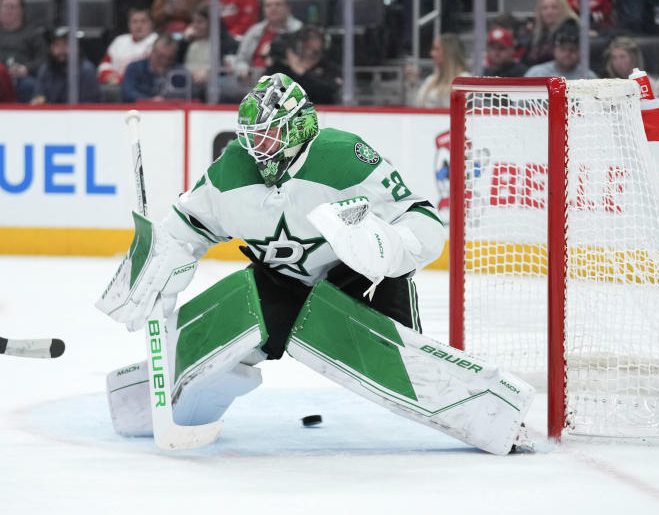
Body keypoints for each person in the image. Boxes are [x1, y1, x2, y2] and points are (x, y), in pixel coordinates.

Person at [96, 73, 534, 456]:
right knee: (229, 331)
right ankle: (140, 401)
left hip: (359, 280)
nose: (256, 148)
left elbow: (421, 218)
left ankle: (497, 415)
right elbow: (183, 225)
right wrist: (157, 266)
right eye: (251, 135)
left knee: (395, 360)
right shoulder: (231, 171)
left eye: (268, 135)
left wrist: (390, 247)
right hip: (280, 283)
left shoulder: (345, 158)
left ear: (299, 126)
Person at [231, 0, 302, 85]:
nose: (273, 8)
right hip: (252, 81)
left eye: (278, 4)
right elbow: (240, 60)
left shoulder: (299, 30)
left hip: (286, 81)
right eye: (268, 5)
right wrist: (243, 70)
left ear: (288, 8)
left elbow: (303, 63)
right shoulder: (254, 31)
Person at [265, 26, 341, 104]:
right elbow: (268, 91)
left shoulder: (329, 67)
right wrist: (270, 63)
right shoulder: (285, 67)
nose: (308, 42)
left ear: (323, 42)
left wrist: (301, 72)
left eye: (313, 38)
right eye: (304, 38)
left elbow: (328, 91)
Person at [178, 3, 237, 98]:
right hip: (186, 83)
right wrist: (184, 41)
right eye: (193, 22)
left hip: (211, 86)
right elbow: (176, 62)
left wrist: (210, 73)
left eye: (200, 22)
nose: (194, 26)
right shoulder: (188, 41)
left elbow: (228, 68)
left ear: (212, 23)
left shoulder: (225, 42)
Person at [32, 26, 100, 104]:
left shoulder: (86, 71)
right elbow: (39, 97)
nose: (61, 50)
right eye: (56, 45)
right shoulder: (46, 69)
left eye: (65, 44)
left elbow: (89, 105)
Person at [98, 8, 158, 90]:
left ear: (152, 24)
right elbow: (105, 64)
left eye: (143, 21)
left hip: (142, 87)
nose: (139, 25)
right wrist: (108, 76)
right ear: (129, 24)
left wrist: (121, 79)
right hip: (115, 86)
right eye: (134, 21)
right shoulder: (119, 40)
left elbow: (150, 72)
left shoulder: (156, 42)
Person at [406, 33, 470, 107]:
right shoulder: (431, 79)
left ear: (448, 52)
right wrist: (412, 84)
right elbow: (417, 107)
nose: (431, 54)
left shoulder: (465, 80)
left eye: (436, 49)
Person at [121, 34, 190, 102]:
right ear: (152, 52)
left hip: (172, 111)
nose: (164, 61)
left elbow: (191, 95)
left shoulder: (181, 73)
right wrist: (149, 101)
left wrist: (169, 101)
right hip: (140, 111)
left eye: (170, 58)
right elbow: (128, 93)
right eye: (160, 57)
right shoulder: (134, 69)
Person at [522, 0, 577, 67]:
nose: (549, 12)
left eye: (554, 7)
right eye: (545, 8)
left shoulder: (570, 30)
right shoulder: (538, 34)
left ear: (563, 10)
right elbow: (525, 60)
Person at [524, 22, 597, 80]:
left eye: (572, 50)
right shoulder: (536, 74)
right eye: (563, 49)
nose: (567, 54)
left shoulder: (589, 78)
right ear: (554, 49)